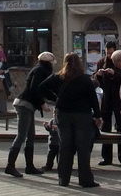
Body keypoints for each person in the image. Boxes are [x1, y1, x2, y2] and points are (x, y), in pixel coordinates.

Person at [40, 52, 102, 188]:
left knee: (65, 146)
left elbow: (42, 88)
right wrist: (98, 116)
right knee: (83, 148)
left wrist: (55, 98)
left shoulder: (57, 77)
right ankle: (85, 179)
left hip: (63, 114)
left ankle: (64, 178)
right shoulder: (86, 79)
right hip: (82, 115)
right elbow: (93, 100)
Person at [5, 51, 55, 178]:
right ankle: (10, 166)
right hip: (25, 104)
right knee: (22, 135)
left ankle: (29, 166)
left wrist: (53, 99)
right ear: (48, 63)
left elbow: (41, 89)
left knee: (30, 135)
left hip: (26, 104)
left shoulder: (38, 69)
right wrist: (42, 103)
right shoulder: (40, 71)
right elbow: (35, 89)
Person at [93, 40, 121, 165]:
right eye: (107, 53)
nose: (109, 56)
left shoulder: (120, 61)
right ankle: (106, 157)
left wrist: (114, 73)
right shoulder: (101, 62)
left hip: (118, 98)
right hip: (106, 98)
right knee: (105, 126)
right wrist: (98, 74)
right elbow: (94, 79)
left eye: (111, 53)